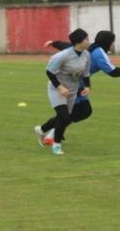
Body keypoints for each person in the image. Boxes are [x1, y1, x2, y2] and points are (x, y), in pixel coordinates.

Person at [38, 30, 120, 145]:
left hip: (78, 84)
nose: (114, 44)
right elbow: (113, 72)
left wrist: (54, 43)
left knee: (81, 111)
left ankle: (48, 131)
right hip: (72, 85)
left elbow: (69, 46)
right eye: (113, 42)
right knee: (79, 112)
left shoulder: (91, 48)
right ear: (108, 42)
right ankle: (47, 132)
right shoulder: (99, 53)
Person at [35, 28, 91, 156]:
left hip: (72, 90)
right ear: (78, 42)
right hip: (57, 89)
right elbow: (49, 72)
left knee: (63, 118)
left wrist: (88, 87)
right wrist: (60, 87)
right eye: (86, 39)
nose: (89, 41)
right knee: (64, 117)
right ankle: (56, 146)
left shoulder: (87, 55)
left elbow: (86, 74)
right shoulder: (63, 55)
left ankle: (41, 130)